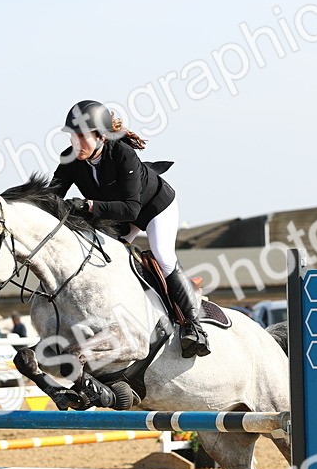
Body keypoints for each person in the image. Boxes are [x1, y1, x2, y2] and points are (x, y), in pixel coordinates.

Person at [48, 100, 209, 358]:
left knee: (163, 257)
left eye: (81, 136)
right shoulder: (70, 159)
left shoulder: (123, 154)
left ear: (100, 136)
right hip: (116, 213)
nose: (76, 143)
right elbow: (52, 195)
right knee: (102, 254)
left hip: (155, 208)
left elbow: (131, 210)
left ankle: (194, 327)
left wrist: (89, 206)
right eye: (72, 136)